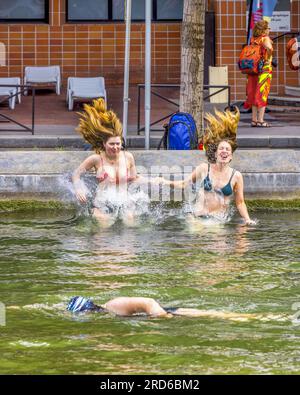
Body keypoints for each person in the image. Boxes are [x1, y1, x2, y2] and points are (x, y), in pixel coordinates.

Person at [158, 108, 255, 225]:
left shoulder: (236, 176)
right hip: (198, 217)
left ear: (231, 156)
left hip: (217, 221)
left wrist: (247, 219)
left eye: (227, 149)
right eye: (221, 149)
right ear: (215, 153)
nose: (224, 151)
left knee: (218, 240)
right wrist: (165, 182)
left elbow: (240, 203)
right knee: (195, 230)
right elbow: (185, 183)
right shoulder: (204, 168)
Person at [72, 98, 143, 227]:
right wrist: (79, 189)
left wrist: (142, 181)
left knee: (130, 224)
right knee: (104, 224)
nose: (115, 147)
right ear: (104, 144)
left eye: (118, 144)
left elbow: (134, 179)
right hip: (102, 203)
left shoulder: (128, 157)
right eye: (111, 144)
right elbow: (76, 175)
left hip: (123, 201)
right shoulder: (96, 159)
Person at [67, 295, 255, 321]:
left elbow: (148, 302)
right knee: (218, 317)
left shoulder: (114, 306)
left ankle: (258, 317)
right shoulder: (107, 313)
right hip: (164, 314)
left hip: (170, 311)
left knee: (219, 316)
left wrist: (162, 317)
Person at [246, 20, 273, 128]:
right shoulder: (265, 38)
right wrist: (269, 56)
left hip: (253, 69)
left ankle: (254, 120)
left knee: (253, 93)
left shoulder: (253, 39)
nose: (269, 30)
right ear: (264, 29)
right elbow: (268, 48)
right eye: (268, 28)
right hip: (264, 70)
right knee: (262, 94)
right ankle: (261, 120)